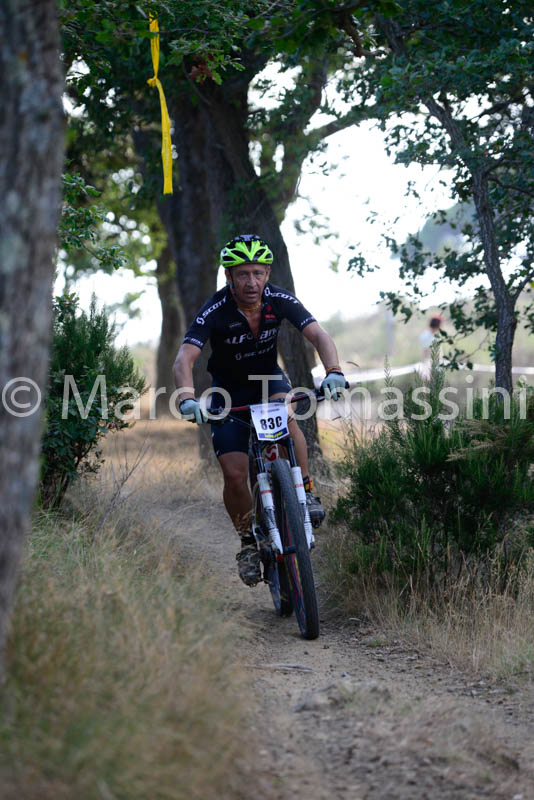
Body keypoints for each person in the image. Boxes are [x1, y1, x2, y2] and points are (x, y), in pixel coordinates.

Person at [173, 234, 346, 586]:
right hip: (227, 391)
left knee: (288, 420)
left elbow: (318, 335)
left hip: (268, 380)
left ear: (267, 274)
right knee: (235, 474)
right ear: (229, 277)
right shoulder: (215, 309)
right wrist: (187, 398)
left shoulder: (279, 299)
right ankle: (248, 544)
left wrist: (334, 371)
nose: (251, 282)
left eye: (258, 273)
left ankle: (305, 492)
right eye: (243, 274)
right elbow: (184, 358)